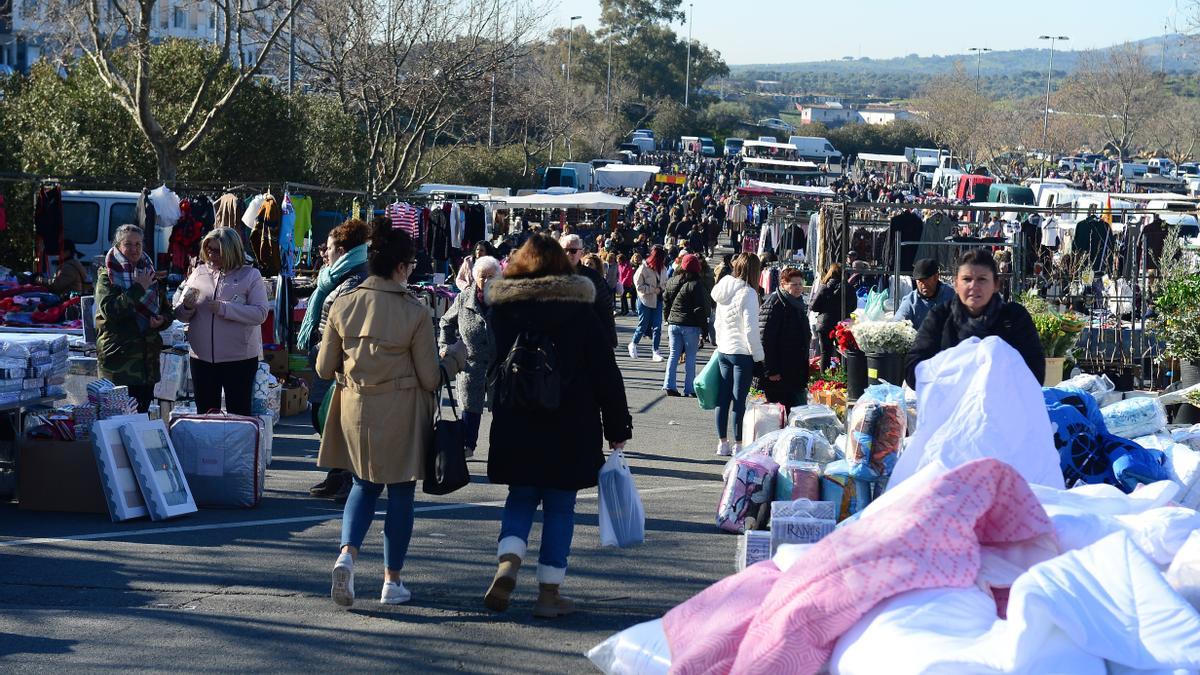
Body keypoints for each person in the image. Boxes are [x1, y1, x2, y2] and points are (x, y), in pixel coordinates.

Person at [482, 233, 632, 618]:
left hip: (518, 418)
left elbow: (491, 361)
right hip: (570, 423)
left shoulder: (503, 310)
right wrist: (617, 426)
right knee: (561, 508)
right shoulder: (579, 311)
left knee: (521, 496)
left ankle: (509, 560)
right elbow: (605, 372)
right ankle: (549, 593)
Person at [317, 224, 464, 608]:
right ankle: (391, 580)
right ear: (401, 266)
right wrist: (455, 359)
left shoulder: (342, 304)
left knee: (362, 485)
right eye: (412, 263)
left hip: (353, 408)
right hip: (400, 410)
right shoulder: (413, 312)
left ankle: (346, 555)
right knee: (400, 493)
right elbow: (431, 377)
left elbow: (321, 367)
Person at [299, 218, 370, 500]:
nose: (324, 253)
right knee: (323, 415)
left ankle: (348, 478)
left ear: (342, 250)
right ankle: (338, 473)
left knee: (332, 417)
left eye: (327, 248)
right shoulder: (336, 274)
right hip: (325, 354)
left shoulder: (356, 277)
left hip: (342, 361)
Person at [905, 248, 1044, 389]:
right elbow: (913, 369)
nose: (974, 286)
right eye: (967, 279)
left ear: (996, 284)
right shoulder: (940, 317)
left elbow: (1035, 373)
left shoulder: (1014, 318)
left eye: (982, 279)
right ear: (956, 284)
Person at [175, 227, 270, 416]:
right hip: (201, 359)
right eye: (208, 248)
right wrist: (186, 307)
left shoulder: (250, 275)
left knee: (238, 415)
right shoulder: (198, 272)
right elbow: (179, 313)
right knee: (206, 414)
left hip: (239, 360)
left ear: (231, 250)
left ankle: (238, 447)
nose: (210, 254)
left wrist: (225, 308)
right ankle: (208, 446)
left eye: (216, 250)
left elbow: (260, 313)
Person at [95, 224, 173, 413]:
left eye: (138, 244)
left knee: (140, 420)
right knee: (117, 420)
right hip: (119, 364)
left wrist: (162, 320)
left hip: (147, 364)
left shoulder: (148, 272)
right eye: (128, 244)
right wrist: (138, 288)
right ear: (118, 246)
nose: (134, 249)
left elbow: (166, 311)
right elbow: (109, 310)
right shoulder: (108, 275)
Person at [439, 255, 500, 458]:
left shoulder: (504, 299)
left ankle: (500, 450)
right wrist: (446, 346)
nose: (487, 280)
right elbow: (446, 322)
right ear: (475, 277)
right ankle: (467, 446)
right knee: (469, 408)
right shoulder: (465, 297)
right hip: (470, 364)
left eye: (492, 276)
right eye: (483, 276)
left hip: (497, 366)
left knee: (500, 409)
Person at [711, 253, 764, 457]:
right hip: (741, 352)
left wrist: (719, 342)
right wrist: (759, 356)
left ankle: (722, 442)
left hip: (724, 348)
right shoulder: (749, 293)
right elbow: (751, 330)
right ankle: (739, 444)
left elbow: (717, 321)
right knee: (739, 399)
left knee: (723, 398)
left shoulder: (724, 287)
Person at [759, 267, 813, 408]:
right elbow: (765, 339)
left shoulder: (798, 303)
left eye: (800, 284)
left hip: (795, 369)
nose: (798, 288)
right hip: (780, 372)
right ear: (783, 284)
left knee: (794, 411)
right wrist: (771, 370)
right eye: (794, 284)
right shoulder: (775, 303)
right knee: (779, 414)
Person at [661, 254, 710, 397]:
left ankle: (669, 385)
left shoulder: (672, 281)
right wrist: (704, 330)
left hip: (673, 323)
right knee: (690, 357)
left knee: (673, 355)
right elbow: (699, 309)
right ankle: (689, 388)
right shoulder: (696, 284)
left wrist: (667, 318)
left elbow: (665, 302)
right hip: (690, 325)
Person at [560, 234, 617, 348]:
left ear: (581, 253)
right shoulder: (551, 274)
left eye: (573, 251)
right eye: (564, 250)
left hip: (585, 337)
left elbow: (605, 307)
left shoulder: (592, 276)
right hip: (558, 339)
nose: (568, 254)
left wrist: (611, 338)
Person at [810, 263, 852, 372]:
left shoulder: (823, 287)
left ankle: (824, 379)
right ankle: (844, 376)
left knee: (825, 352)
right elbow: (854, 306)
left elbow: (813, 306)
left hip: (825, 323)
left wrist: (824, 308)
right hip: (842, 324)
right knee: (843, 351)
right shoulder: (848, 287)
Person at [630, 245, 669, 361]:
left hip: (658, 300)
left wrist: (662, 289)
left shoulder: (663, 269)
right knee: (643, 325)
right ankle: (633, 344)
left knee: (657, 327)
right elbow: (638, 286)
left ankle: (655, 351)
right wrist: (653, 290)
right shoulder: (643, 268)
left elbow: (665, 283)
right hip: (644, 300)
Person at [894, 258, 956, 330]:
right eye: (920, 281)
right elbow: (897, 326)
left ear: (936, 277)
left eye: (926, 279)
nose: (923, 284)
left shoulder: (952, 295)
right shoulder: (910, 302)